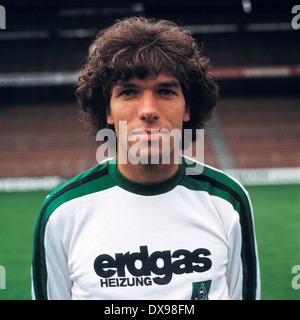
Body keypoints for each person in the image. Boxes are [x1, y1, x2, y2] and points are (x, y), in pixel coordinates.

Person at [32, 16, 260, 300]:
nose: (148, 110)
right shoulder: (62, 213)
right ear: (108, 112)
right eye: (129, 92)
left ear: (187, 107)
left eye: (165, 91)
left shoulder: (228, 201)